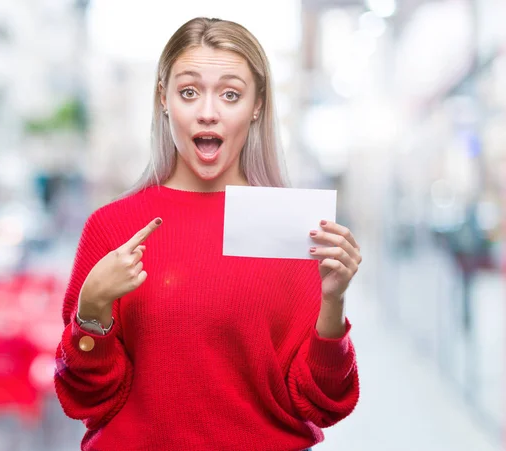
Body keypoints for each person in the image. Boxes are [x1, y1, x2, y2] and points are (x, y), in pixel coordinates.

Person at [54, 17, 362, 451]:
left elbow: (323, 403)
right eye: (189, 92)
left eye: (231, 94)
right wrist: (91, 309)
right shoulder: (112, 227)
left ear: (257, 105)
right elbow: (83, 398)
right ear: (164, 99)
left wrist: (334, 301)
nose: (208, 112)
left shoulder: (293, 226)